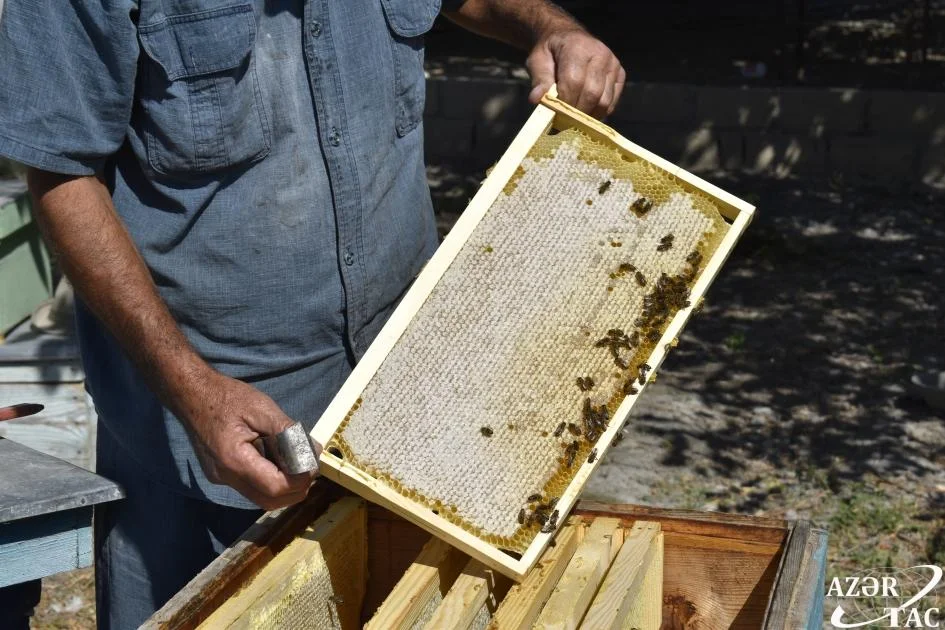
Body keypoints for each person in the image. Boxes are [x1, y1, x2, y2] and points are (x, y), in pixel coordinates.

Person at [0, 0, 624, 626]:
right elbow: (62, 174)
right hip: (218, 435)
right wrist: (194, 392)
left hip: (415, 400)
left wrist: (552, 26)